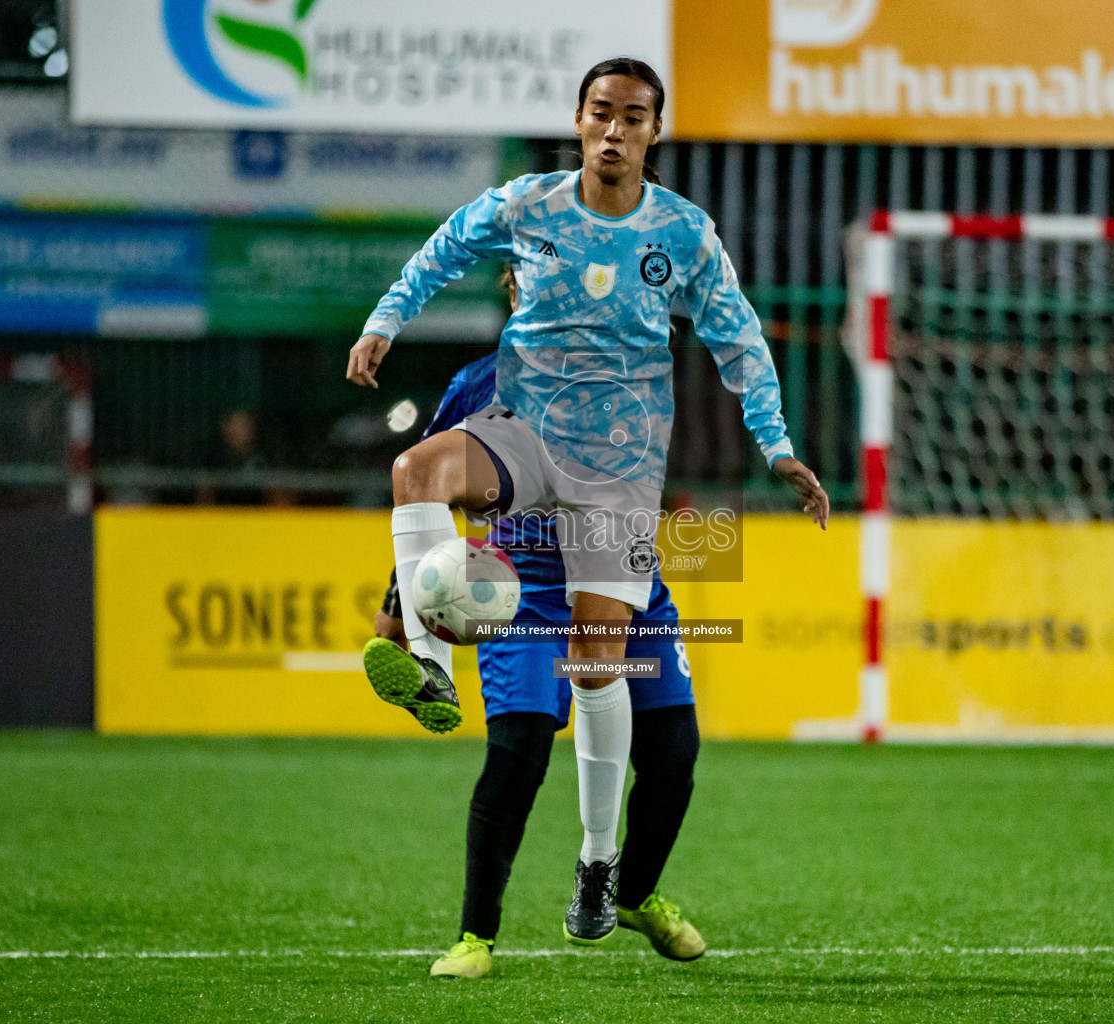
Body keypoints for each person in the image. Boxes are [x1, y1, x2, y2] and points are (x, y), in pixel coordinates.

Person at [348, 55, 828, 951]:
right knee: (415, 472)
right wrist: (385, 318)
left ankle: (600, 869)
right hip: (526, 442)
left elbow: (739, 339)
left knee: (601, 665)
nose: (615, 130)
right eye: (601, 113)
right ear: (578, 121)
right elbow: (447, 242)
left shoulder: (684, 233)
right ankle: (427, 664)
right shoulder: (528, 206)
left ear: (655, 132)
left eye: (633, 117)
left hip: (618, 473)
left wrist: (779, 447)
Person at [374, 338, 705, 979]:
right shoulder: (478, 382)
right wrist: (400, 607)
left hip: (622, 582)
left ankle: (631, 894)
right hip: (520, 592)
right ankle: (475, 938)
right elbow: (425, 496)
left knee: (674, 756)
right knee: (518, 751)